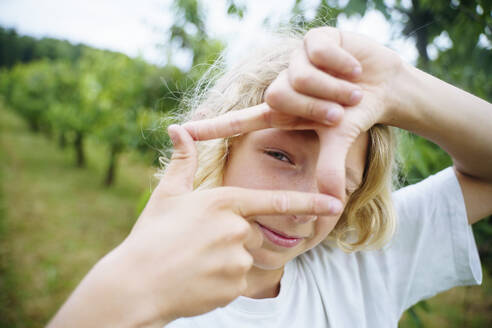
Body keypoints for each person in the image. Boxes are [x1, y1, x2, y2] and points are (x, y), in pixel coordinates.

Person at [47, 27, 492, 327]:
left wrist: (398, 86)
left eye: (341, 181)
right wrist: (127, 289)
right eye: (280, 155)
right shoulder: (155, 301)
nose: (301, 206)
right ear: (224, 144)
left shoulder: (360, 265)